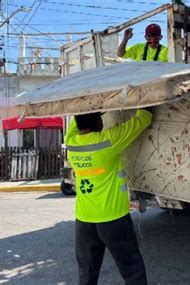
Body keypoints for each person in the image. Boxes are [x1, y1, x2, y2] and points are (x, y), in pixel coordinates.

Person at [65, 109, 153, 285]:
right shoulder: (108, 141)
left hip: (84, 219)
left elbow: (76, 120)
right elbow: (144, 119)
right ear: (98, 121)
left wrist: (91, 108)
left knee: (87, 273)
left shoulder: (71, 142)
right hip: (113, 218)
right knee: (132, 269)